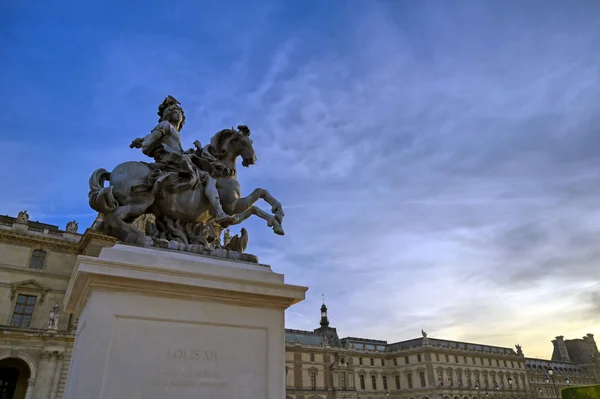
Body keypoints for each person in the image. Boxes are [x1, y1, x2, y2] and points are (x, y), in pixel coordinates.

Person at [130, 96, 234, 225]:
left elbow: (173, 147)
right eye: (175, 112)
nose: (178, 114)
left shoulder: (175, 132)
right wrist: (143, 142)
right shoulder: (165, 125)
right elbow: (150, 139)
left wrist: (195, 150)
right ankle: (218, 212)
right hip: (170, 159)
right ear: (168, 114)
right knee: (207, 177)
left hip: (178, 158)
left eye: (180, 112)